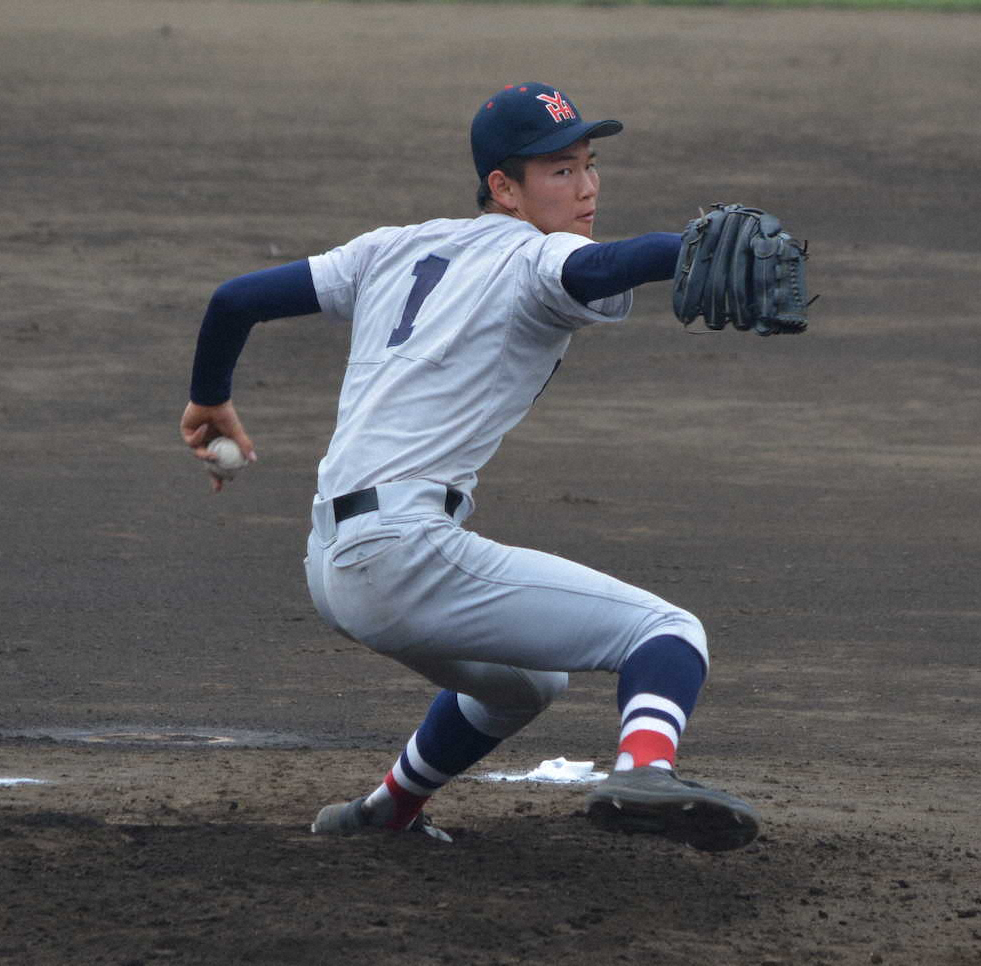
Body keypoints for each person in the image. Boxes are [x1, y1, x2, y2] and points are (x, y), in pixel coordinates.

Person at [181, 82, 760, 851]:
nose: (586, 187)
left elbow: (233, 300)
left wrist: (209, 400)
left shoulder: (389, 247)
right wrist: (683, 249)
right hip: (403, 553)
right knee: (667, 632)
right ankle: (645, 772)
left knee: (524, 686)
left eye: (589, 165)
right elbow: (602, 268)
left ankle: (385, 811)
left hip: (333, 563)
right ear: (503, 187)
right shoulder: (541, 256)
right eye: (560, 170)